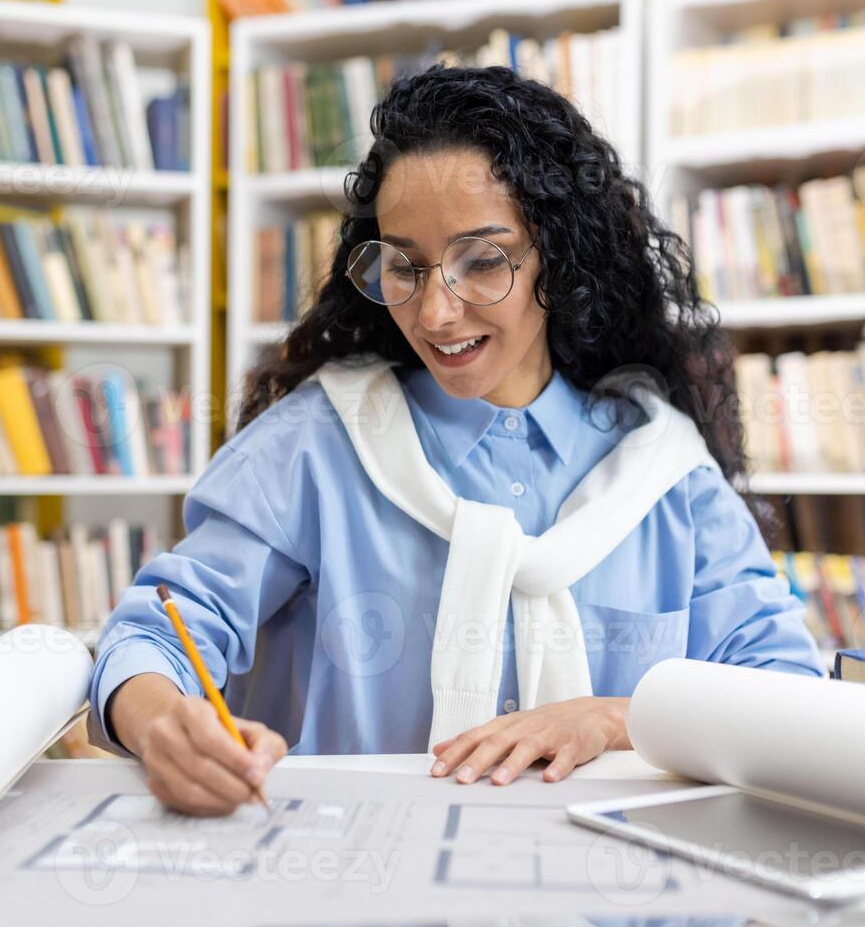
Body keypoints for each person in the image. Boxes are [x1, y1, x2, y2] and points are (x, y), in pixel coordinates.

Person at [89, 64, 823, 816]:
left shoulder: (664, 474)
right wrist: (161, 726)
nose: (437, 313)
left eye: (483, 260)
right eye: (405, 265)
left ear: (559, 260)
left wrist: (614, 719)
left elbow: (787, 698)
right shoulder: (316, 445)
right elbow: (155, 636)